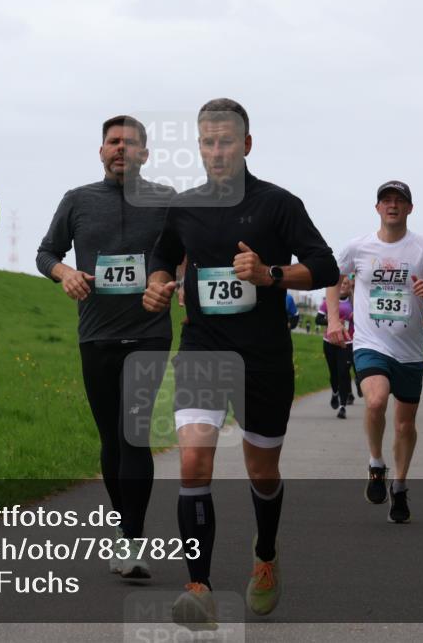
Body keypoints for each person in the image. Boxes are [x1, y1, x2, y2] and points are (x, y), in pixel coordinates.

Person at [143, 99, 338, 628]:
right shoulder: (183, 208)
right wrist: (159, 285)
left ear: (246, 145)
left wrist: (269, 273)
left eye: (226, 141)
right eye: (207, 142)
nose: (216, 151)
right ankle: (199, 585)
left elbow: (324, 266)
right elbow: (163, 257)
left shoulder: (279, 205)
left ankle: (266, 553)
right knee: (193, 462)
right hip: (203, 347)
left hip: (264, 356)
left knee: (262, 470)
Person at [36, 115, 175, 579]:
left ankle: (134, 540)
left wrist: (170, 282)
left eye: (131, 143)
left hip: (150, 333)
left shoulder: (166, 202)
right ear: (101, 151)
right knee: (110, 439)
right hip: (95, 333)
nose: (121, 149)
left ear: (145, 154)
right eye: (113, 142)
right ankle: (124, 530)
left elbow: (187, 255)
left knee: (133, 431)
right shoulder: (77, 201)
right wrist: (66, 274)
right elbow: (46, 253)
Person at [326, 180, 423, 524]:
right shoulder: (358, 247)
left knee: (405, 424)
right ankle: (376, 463)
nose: (392, 205)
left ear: (410, 208)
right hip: (370, 344)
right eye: (386, 200)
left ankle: (400, 484)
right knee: (376, 400)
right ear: (377, 208)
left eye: (399, 201)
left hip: (409, 350)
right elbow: (332, 277)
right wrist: (334, 319)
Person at [318, 276, 355, 419]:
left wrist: (354, 317)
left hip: (347, 343)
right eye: (342, 283)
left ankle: (343, 406)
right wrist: (331, 319)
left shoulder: (354, 302)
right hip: (330, 342)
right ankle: (334, 392)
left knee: (344, 373)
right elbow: (318, 319)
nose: (344, 286)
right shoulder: (328, 302)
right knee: (334, 374)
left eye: (346, 283)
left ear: (350, 285)